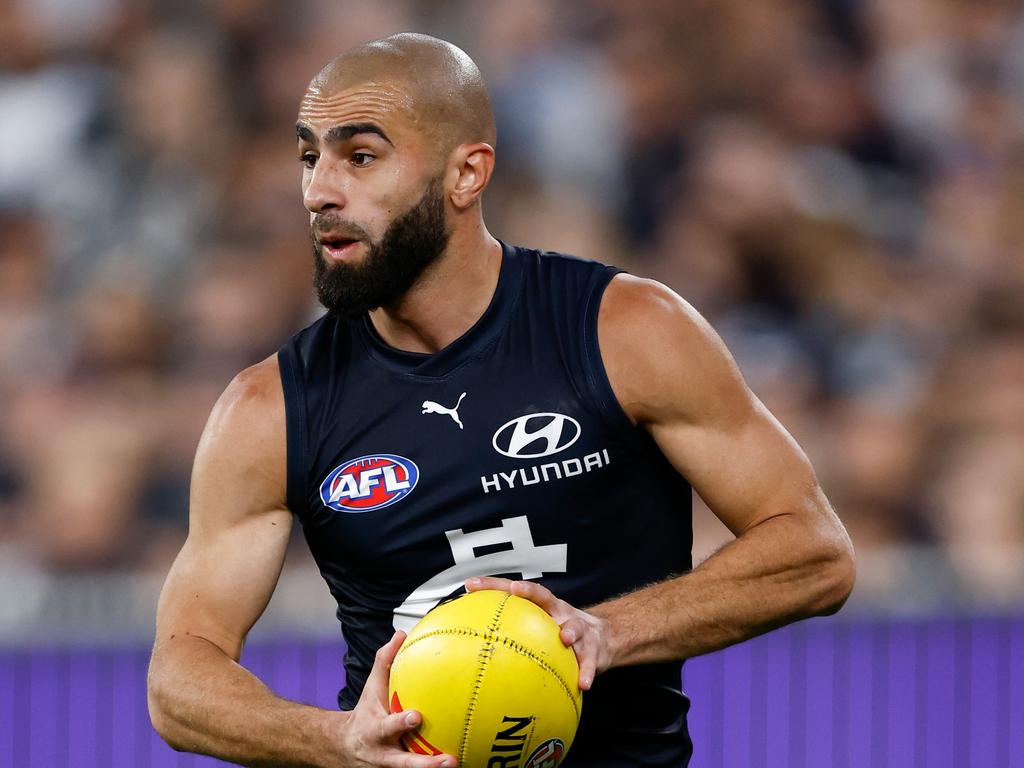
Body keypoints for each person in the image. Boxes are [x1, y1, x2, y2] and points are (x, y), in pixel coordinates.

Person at [147, 32, 855, 768]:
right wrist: (333, 739)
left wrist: (607, 632)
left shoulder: (626, 331)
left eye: (359, 157)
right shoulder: (271, 408)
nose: (320, 190)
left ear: (466, 173)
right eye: (308, 156)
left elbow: (814, 552)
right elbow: (177, 680)